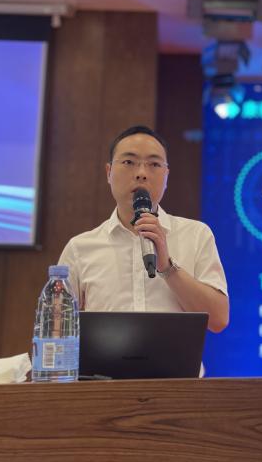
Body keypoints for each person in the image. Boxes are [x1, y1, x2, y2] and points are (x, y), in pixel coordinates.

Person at [58, 125, 229, 333]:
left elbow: (218, 320)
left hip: (174, 356)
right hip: (104, 357)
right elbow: (58, 330)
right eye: (129, 162)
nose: (141, 173)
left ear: (166, 176)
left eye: (154, 164)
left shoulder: (196, 235)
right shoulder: (80, 249)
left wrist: (167, 267)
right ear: (109, 172)